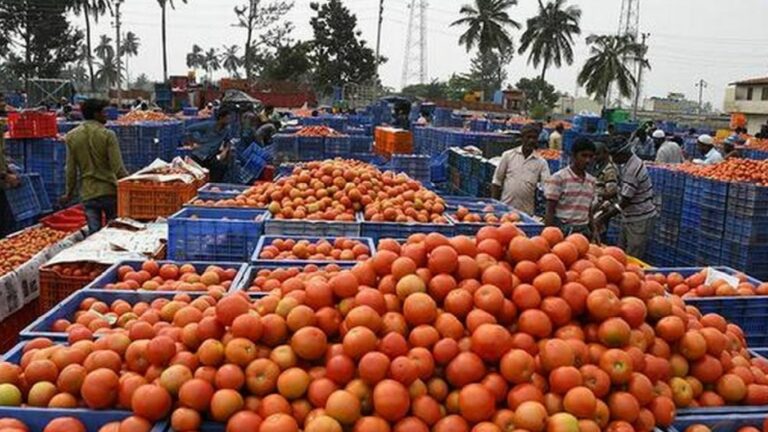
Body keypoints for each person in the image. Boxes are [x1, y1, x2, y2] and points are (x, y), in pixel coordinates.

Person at [60, 99, 128, 235]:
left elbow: (71, 170)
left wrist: (69, 193)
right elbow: (118, 168)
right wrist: (131, 183)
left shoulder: (72, 136)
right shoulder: (108, 135)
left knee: (94, 234)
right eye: (104, 112)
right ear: (96, 114)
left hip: (88, 193)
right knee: (113, 231)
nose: (106, 115)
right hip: (109, 191)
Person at [596, 139, 657, 259]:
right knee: (621, 253)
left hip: (639, 218)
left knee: (632, 256)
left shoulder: (632, 170)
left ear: (621, 154)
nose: (612, 159)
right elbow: (620, 191)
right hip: (629, 216)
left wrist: (603, 218)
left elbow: (624, 202)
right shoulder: (627, 163)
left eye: (614, 156)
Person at [491, 124, 550, 216]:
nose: (531, 141)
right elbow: (497, 182)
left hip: (526, 213)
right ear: (522, 138)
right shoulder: (508, 156)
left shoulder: (541, 162)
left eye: (534, 138)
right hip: (505, 211)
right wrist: (494, 206)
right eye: (528, 137)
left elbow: (547, 186)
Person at [544, 137, 597, 236]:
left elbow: (588, 210)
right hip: (563, 229)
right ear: (573, 156)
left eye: (590, 156)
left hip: (583, 230)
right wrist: (548, 235)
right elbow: (550, 210)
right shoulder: (559, 178)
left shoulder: (591, 181)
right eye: (584, 156)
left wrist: (594, 231)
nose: (587, 160)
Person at [185, 107, 235, 182]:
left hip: (211, 156)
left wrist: (224, 152)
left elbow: (228, 142)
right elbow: (189, 129)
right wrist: (192, 143)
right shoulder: (208, 125)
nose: (229, 121)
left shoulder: (226, 130)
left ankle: (213, 186)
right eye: (227, 118)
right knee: (196, 176)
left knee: (220, 167)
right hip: (200, 154)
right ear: (221, 118)